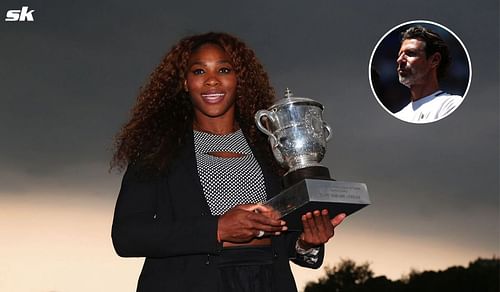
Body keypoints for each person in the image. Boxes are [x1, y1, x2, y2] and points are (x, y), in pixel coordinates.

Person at [110, 32, 346, 292]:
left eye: (224, 69)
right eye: (199, 71)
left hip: (268, 281)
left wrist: (307, 243)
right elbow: (127, 236)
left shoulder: (270, 147)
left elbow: (284, 238)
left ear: (239, 79)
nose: (212, 80)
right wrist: (217, 229)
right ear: (185, 83)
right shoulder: (158, 149)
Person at [395, 26, 463, 123]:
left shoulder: (451, 105)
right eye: (400, 55)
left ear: (434, 60)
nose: (400, 60)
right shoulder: (398, 116)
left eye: (410, 53)